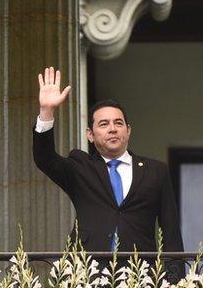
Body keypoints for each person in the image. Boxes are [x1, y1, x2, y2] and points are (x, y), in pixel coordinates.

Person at [33, 67, 183, 254]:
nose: (113, 129)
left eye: (118, 123)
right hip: (87, 274)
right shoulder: (81, 167)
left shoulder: (155, 171)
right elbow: (44, 158)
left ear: (128, 130)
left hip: (140, 273)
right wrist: (46, 111)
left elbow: (170, 231)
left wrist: (175, 281)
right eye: (104, 124)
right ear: (90, 134)